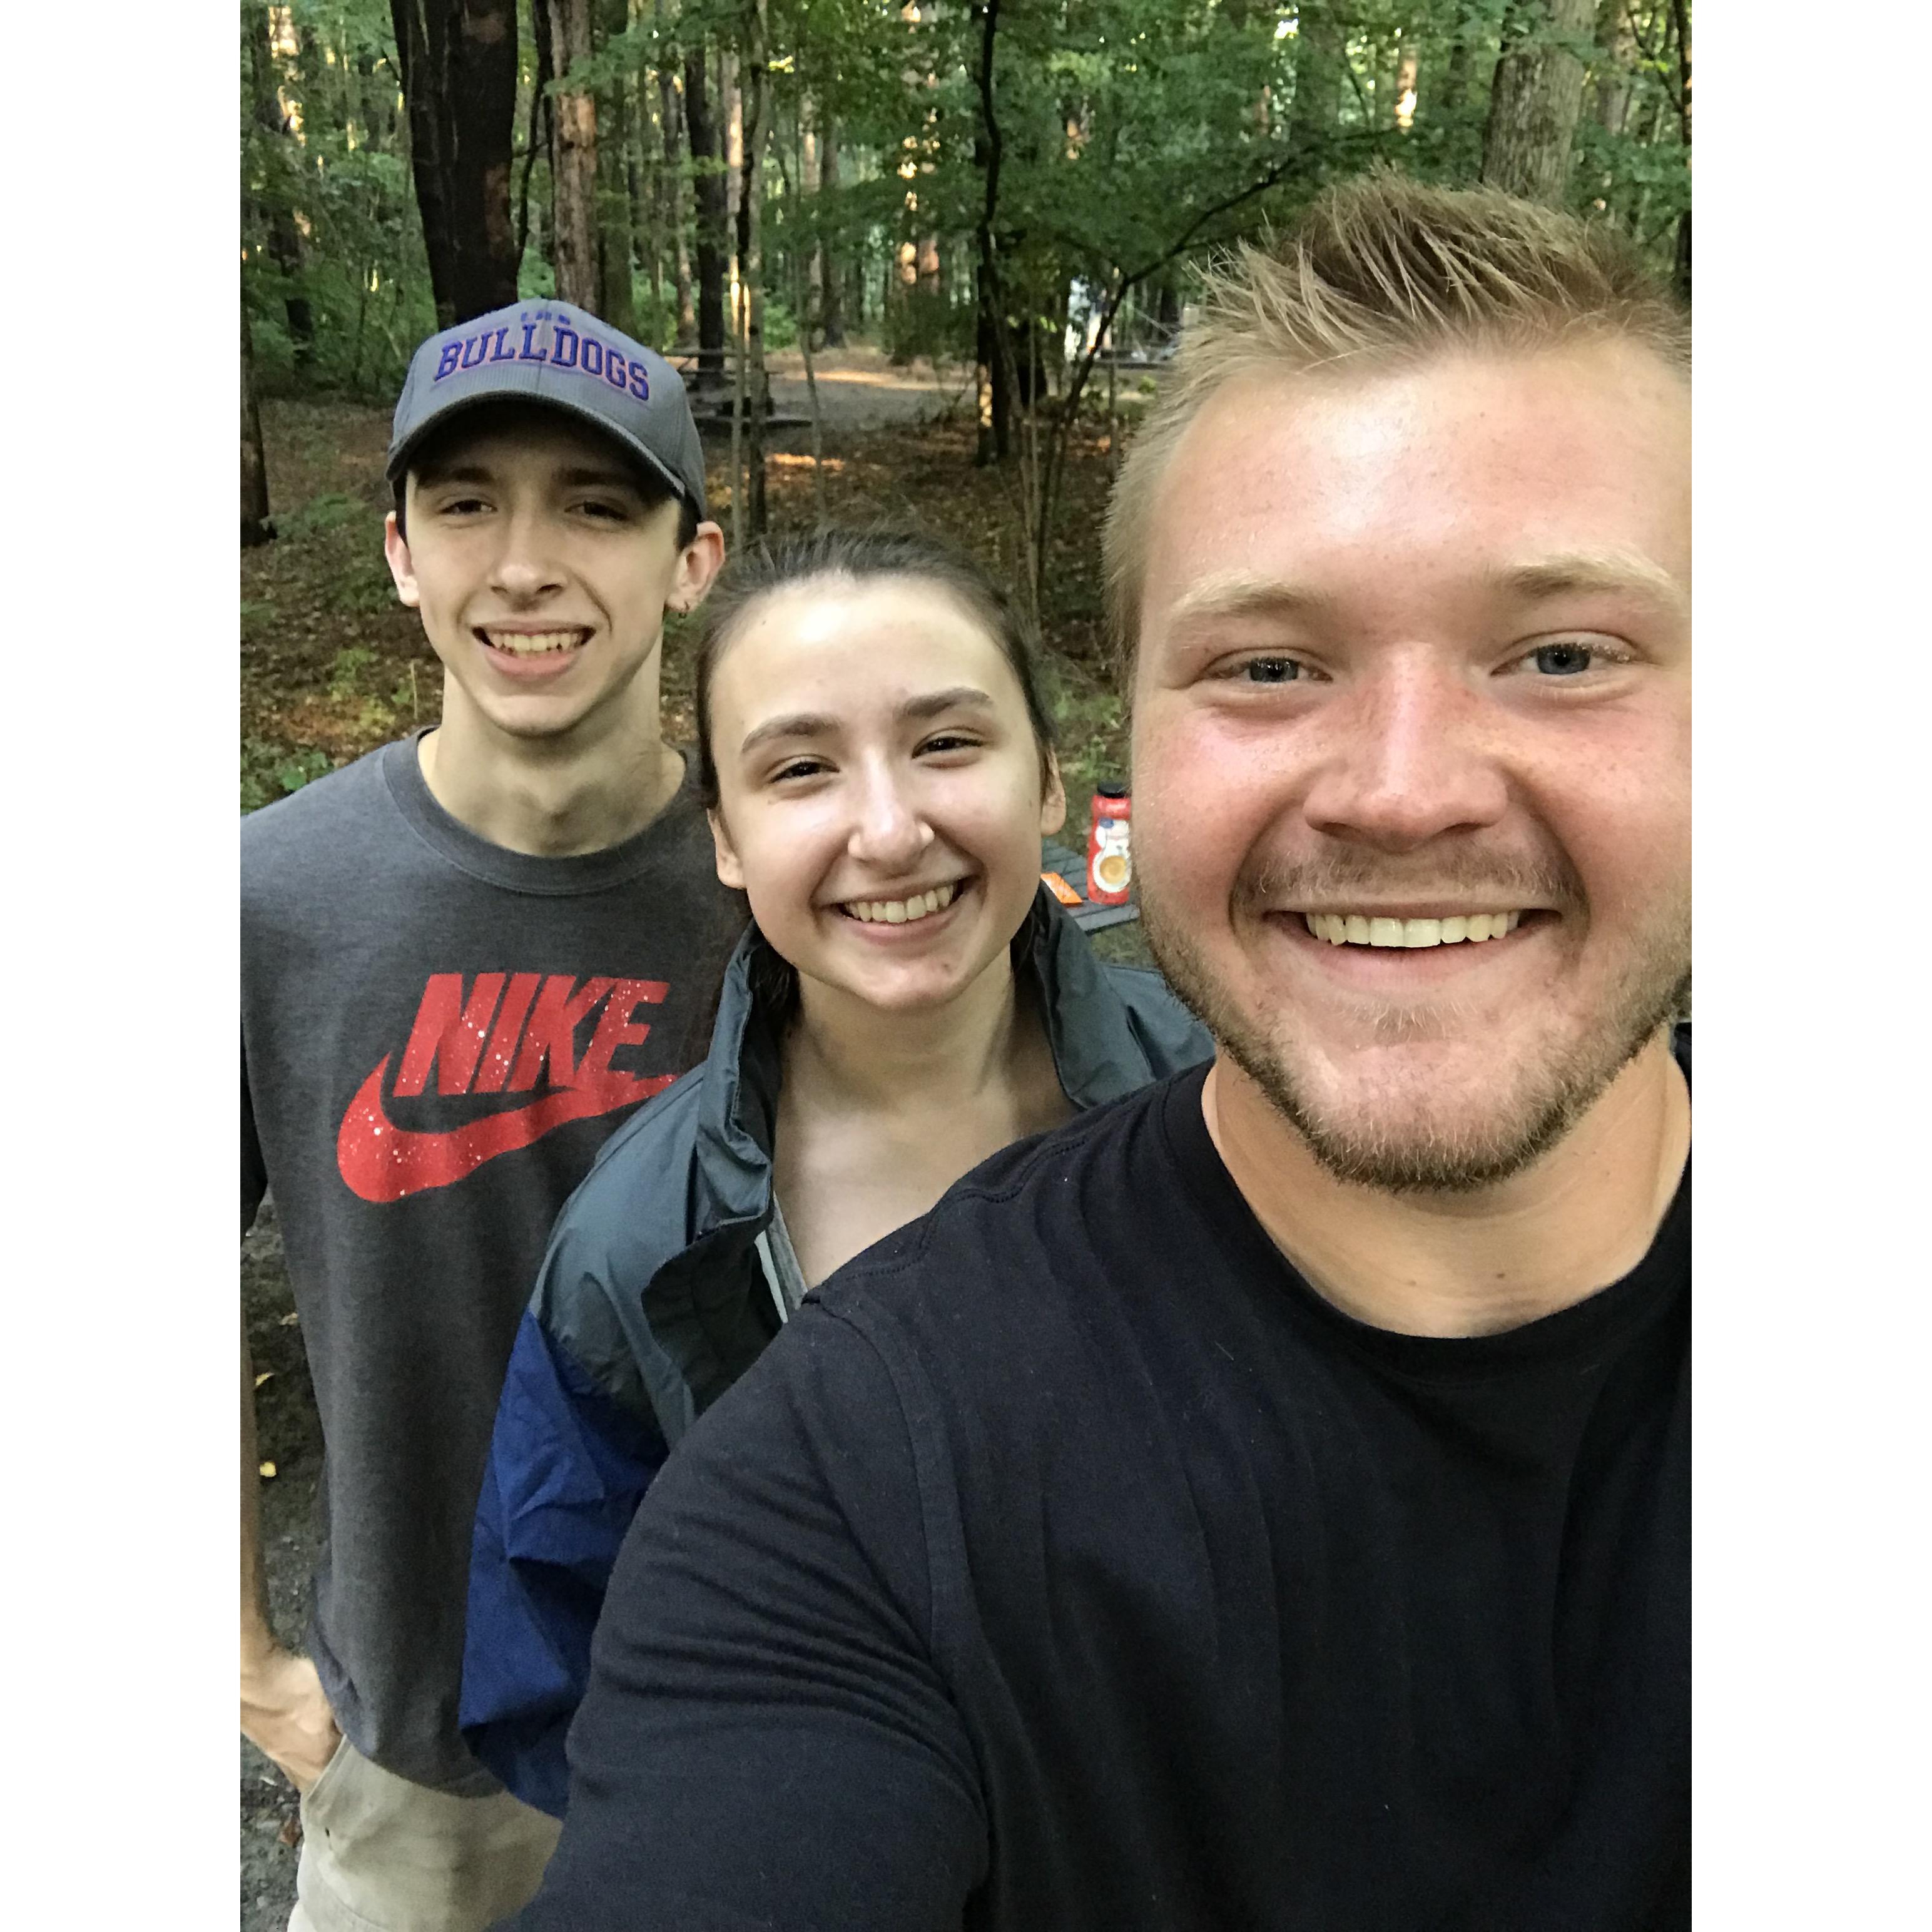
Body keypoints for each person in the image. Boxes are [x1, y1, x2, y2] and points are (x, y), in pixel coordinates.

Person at [503, 175, 1692, 1932]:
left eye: (1564, 653)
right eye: (1270, 665)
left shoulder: (1136, 1058)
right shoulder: (836, 1469)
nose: (1403, 789)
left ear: (1059, 783)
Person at [459, 529, 1211, 1817]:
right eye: (802, 768)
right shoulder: (640, 1248)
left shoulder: (1228, 1106)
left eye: (945, 743)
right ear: (726, 837)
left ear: (1046, 776)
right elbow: (561, 1679)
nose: (889, 828)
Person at [241, 300, 738, 1932]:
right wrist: (242, 1658)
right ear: (401, 550)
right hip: (418, 1767)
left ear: (691, 559)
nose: (525, 564)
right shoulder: (267, 902)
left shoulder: (794, 889)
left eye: (595, 505)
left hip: (757, 1720)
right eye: (468, 503)